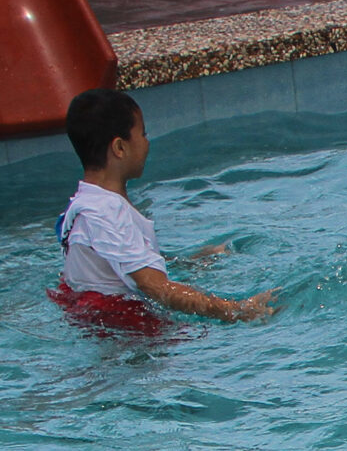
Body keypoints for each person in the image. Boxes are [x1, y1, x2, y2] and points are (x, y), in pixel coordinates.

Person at [53, 88, 275, 326]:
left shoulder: (83, 203)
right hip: (123, 332)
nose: (147, 143)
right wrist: (235, 310)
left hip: (97, 320)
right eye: (143, 134)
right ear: (120, 148)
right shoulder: (107, 212)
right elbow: (154, 286)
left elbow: (117, 262)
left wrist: (188, 263)